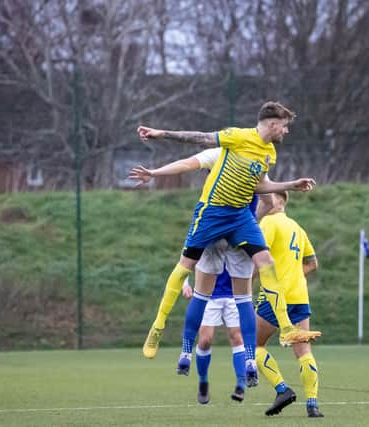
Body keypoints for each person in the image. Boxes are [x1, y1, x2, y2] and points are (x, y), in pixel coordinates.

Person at [135, 101, 321, 367]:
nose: (286, 132)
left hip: (240, 216)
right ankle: (158, 326)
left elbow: (261, 186)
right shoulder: (237, 137)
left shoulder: (269, 153)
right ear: (272, 124)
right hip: (212, 213)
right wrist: (161, 135)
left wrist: (292, 184)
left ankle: (287, 327)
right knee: (184, 268)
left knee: (266, 262)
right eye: (285, 126)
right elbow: (199, 139)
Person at [130, 148, 260, 385]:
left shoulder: (248, 155)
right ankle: (162, 327)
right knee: (234, 293)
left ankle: (182, 348)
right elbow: (186, 162)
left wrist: (154, 172)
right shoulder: (238, 154)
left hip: (226, 228)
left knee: (203, 289)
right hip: (233, 230)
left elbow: (186, 162)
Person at [254, 191, 324, 418]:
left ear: (281, 201)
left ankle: (282, 389)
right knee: (303, 351)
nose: (264, 201)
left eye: (269, 197)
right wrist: (295, 274)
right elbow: (313, 263)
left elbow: (260, 259)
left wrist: (242, 281)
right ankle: (312, 404)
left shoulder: (269, 222)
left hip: (276, 295)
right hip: (299, 295)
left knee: (252, 344)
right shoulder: (297, 227)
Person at [181, 269, 246, 404]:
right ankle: (203, 381)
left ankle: (241, 385)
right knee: (205, 340)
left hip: (233, 295)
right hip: (208, 295)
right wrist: (185, 283)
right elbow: (188, 258)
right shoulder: (206, 246)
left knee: (237, 338)